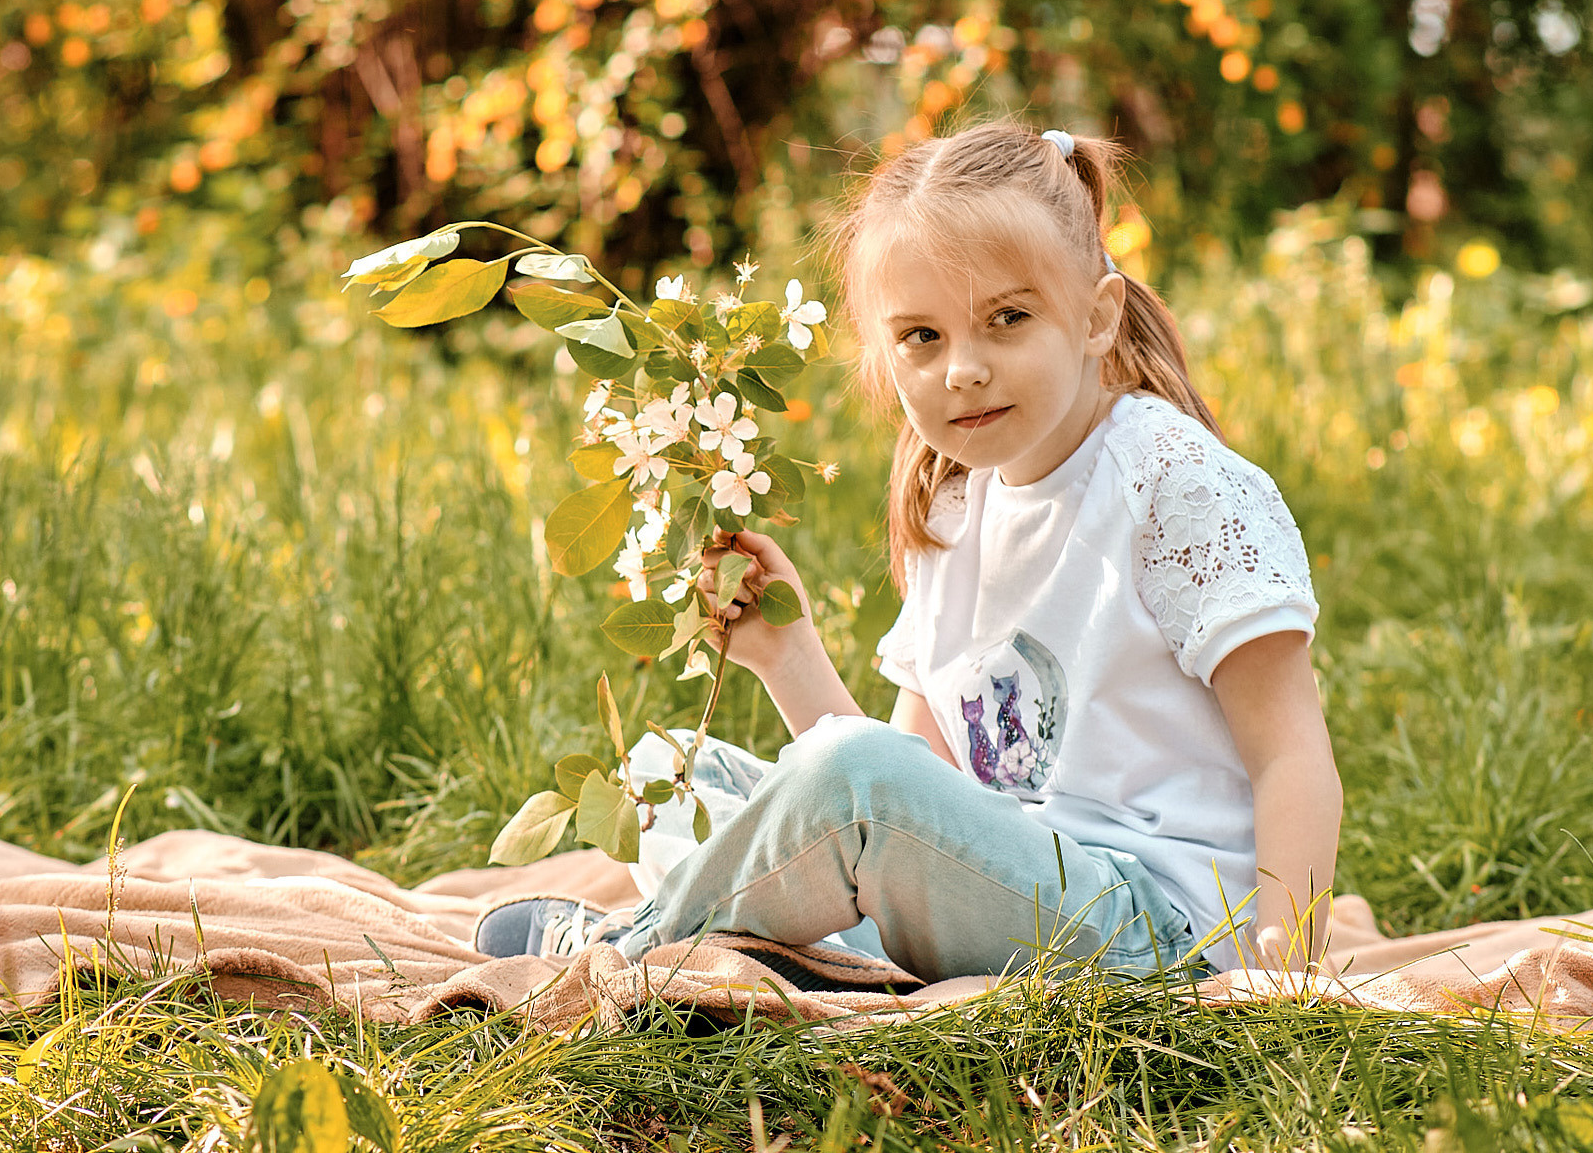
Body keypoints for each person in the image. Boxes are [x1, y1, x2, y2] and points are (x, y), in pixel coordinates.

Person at [477, 122, 1340, 983]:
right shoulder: (956, 502)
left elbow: (1290, 752)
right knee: (672, 772)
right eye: (921, 337)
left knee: (853, 776)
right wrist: (789, 655)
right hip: (1009, 899)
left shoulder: (1173, 483)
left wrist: (1282, 980)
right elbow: (913, 796)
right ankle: (802, 952)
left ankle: (625, 952)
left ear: (1097, 318)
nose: (962, 368)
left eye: (1007, 318)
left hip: (1160, 935)